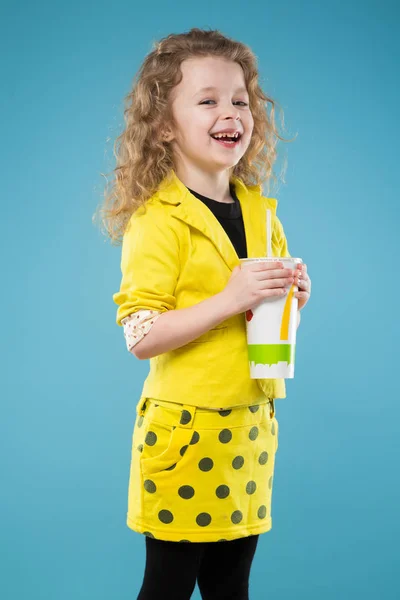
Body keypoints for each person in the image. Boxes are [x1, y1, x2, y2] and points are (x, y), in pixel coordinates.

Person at [103, 27, 311, 600]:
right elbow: (140, 335)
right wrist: (231, 298)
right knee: (168, 587)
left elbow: (263, 324)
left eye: (240, 100)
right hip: (187, 437)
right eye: (208, 99)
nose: (231, 112)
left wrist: (292, 300)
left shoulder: (260, 212)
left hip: (249, 431)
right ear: (164, 124)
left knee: (231, 586)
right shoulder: (157, 220)